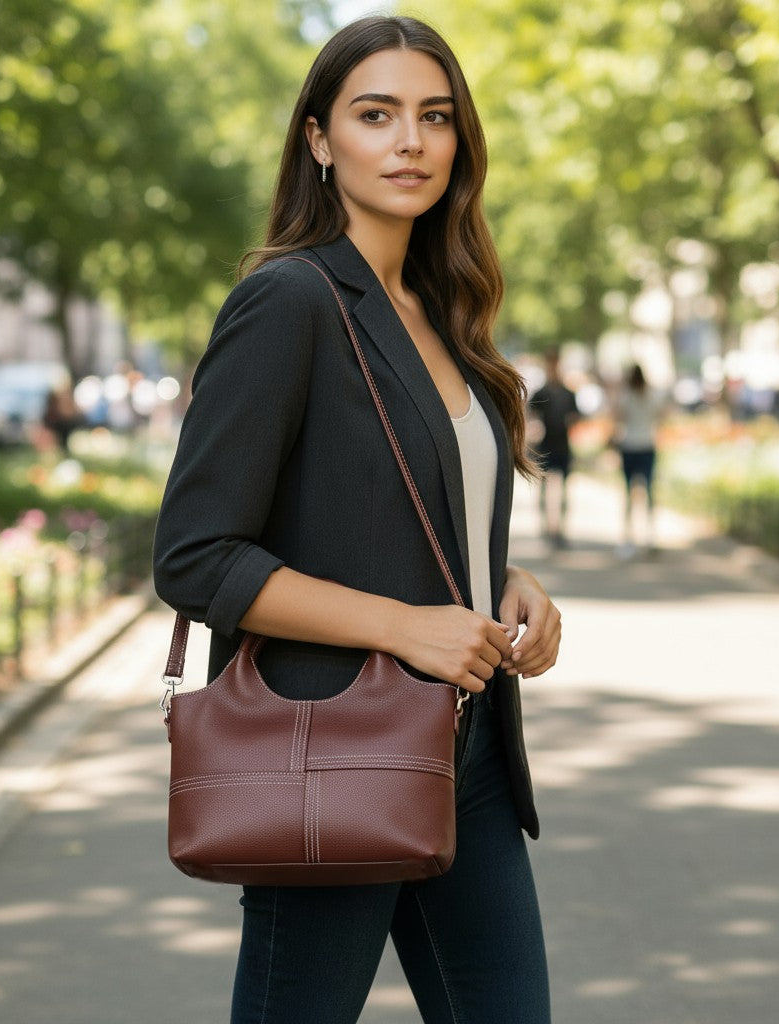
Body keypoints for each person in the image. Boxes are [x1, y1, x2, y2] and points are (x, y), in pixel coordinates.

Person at [153, 16, 561, 1023]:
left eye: (434, 117)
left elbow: (416, 513)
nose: (409, 142)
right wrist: (401, 622)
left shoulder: (442, 312)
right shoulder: (289, 300)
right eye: (374, 115)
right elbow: (196, 557)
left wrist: (501, 586)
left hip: (462, 751)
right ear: (320, 140)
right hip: (331, 748)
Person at [527, 347, 579, 547]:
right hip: (546, 445)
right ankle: (546, 528)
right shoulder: (541, 393)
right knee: (544, 490)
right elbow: (530, 416)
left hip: (562, 445)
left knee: (564, 490)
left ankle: (560, 529)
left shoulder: (568, 393)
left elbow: (575, 417)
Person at [612, 362, 666, 557]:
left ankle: (628, 539)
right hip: (647, 445)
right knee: (649, 492)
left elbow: (618, 417)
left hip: (629, 445)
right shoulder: (651, 395)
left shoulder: (627, 395)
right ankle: (651, 536)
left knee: (628, 493)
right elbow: (661, 415)